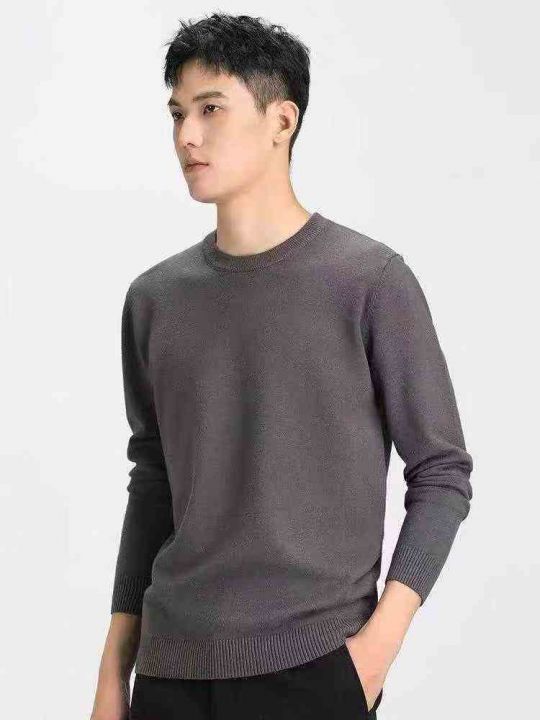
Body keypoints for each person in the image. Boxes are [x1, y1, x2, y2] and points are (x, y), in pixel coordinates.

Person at [90, 12, 473, 720]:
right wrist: (114, 673)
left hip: (314, 670)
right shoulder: (154, 299)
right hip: (169, 672)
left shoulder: (370, 281)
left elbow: (442, 473)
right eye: (177, 113)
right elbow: (154, 483)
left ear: (282, 121)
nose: (186, 135)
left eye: (211, 109)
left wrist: (373, 655)